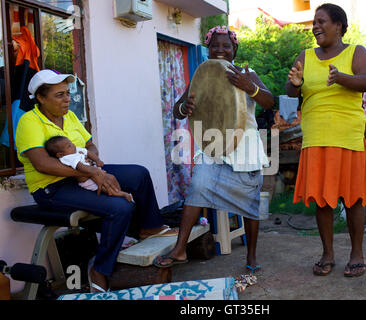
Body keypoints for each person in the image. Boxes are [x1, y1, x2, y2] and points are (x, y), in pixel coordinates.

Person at [15, 69, 178, 293]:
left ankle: (149, 227)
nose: (67, 99)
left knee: (138, 174)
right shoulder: (29, 121)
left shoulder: (69, 117)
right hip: (51, 188)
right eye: (59, 95)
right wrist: (92, 174)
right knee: (120, 207)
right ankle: (100, 269)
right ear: (41, 98)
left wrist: (92, 165)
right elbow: (43, 164)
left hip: (84, 174)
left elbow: (90, 145)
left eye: (67, 93)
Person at [153, 26, 274, 272]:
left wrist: (249, 86)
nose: (220, 50)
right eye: (215, 46)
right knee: (197, 188)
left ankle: (251, 258)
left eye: (226, 46)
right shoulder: (203, 75)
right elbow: (178, 108)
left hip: (244, 149)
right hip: (212, 146)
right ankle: (180, 249)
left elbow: (270, 101)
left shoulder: (247, 73)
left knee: (250, 205)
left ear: (234, 50)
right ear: (208, 49)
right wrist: (183, 108)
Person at [286, 3, 366, 277]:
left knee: (354, 199)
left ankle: (357, 254)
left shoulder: (355, 52)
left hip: (347, 136)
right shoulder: (304, 56)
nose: (315, 27)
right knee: (323, 201)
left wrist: (341, 78)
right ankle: (328, 253)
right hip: (315, 138)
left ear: (338, 25)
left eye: (321, 21)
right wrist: (295, 82)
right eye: (314, 22)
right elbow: (291, 94)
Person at [44, 135, 134, 202]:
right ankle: (121, 194)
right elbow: (80, 167)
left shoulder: (75, 150)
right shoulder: (67, 158)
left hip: (94, 171)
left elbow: (88, 152)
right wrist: (94, 172)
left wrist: (97, 160)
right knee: (104, 187)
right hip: (87, 180)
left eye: (71, 143)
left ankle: (119, 191)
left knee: (111, 178)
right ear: (60, 154)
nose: (73, 145)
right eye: (69, 146)